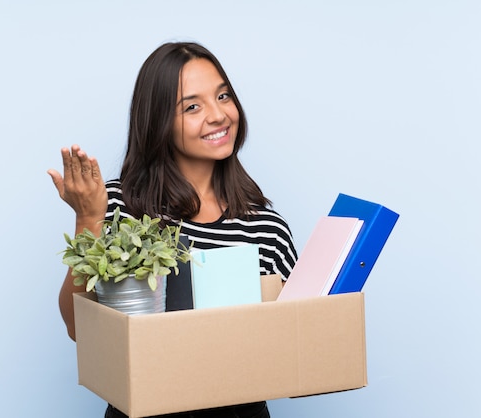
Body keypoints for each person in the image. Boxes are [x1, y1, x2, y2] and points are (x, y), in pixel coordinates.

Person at [48, 41, 297, 418]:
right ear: (158, 121)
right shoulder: (116, 206)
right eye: (192, 106)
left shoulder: (265, 225)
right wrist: (88, 221)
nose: (218, 115)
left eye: (224, 96)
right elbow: (78, 328)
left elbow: (291, 340)